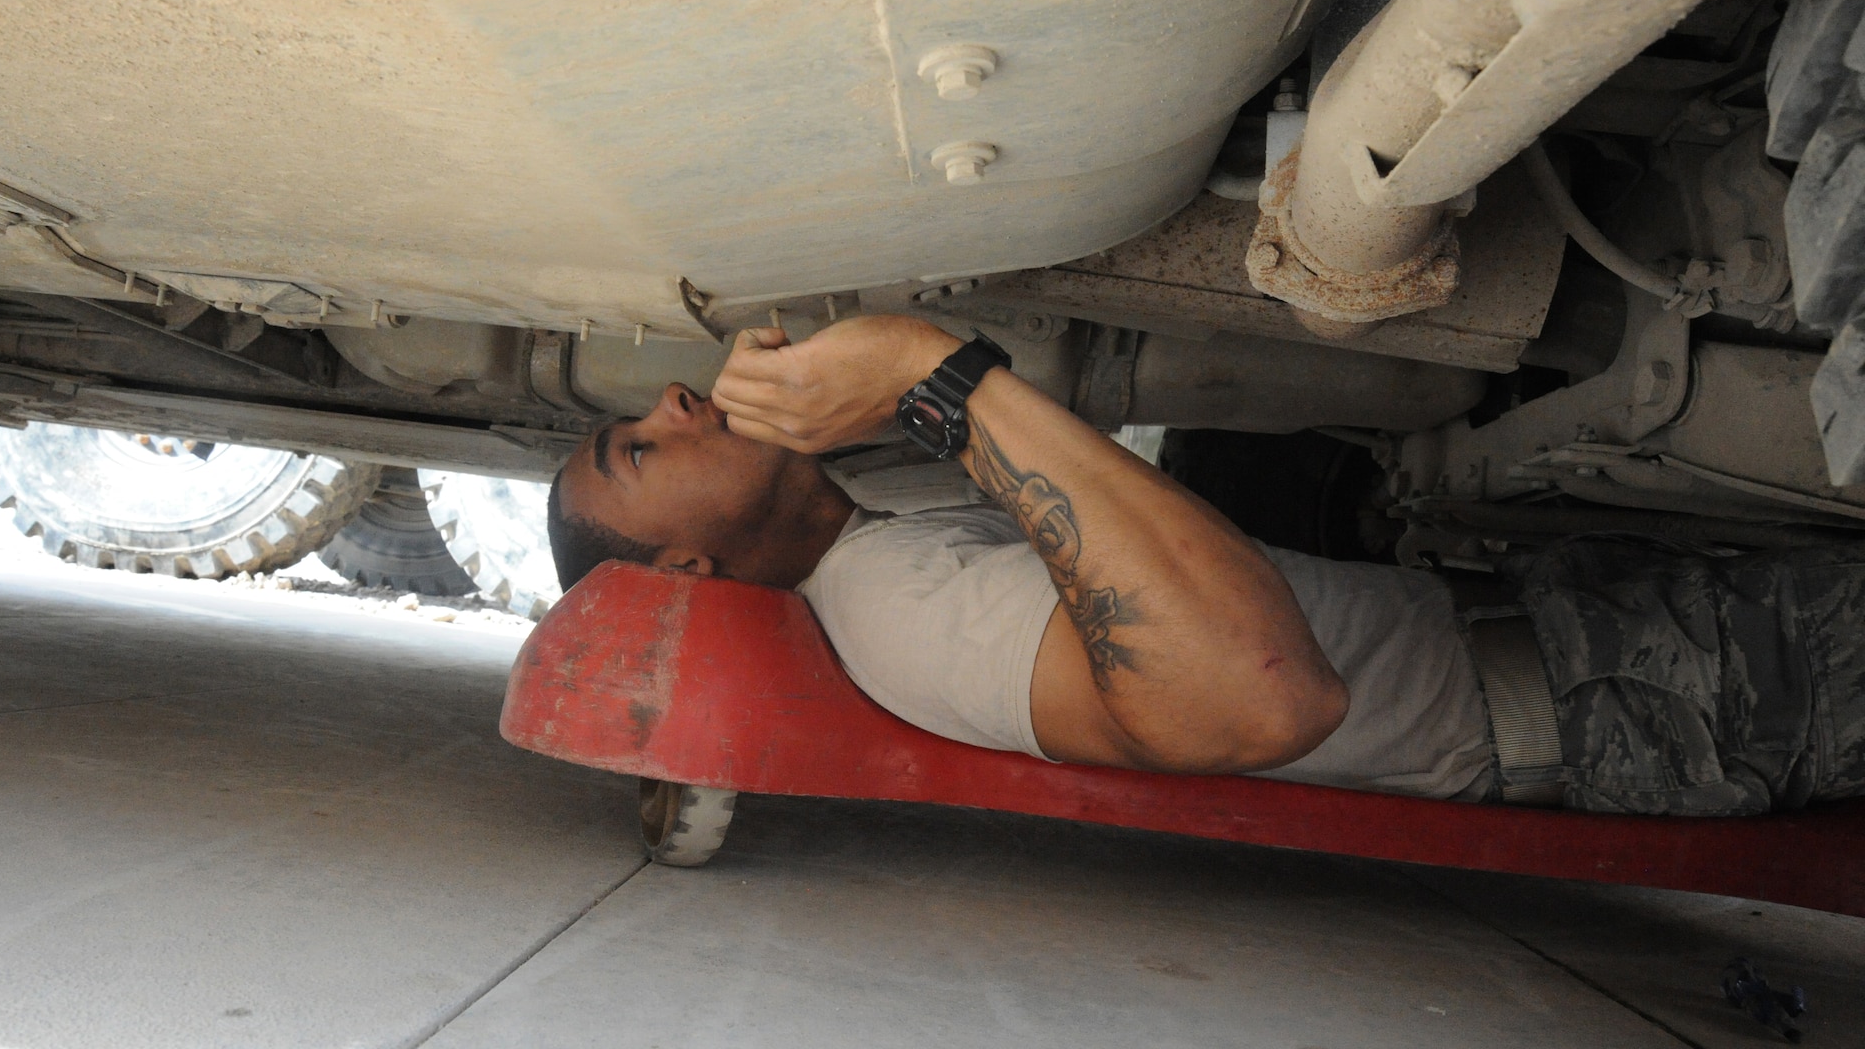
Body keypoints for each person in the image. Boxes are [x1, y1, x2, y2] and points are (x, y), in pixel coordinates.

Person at [545, 315, 1865, 816]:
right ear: (689, 564)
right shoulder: (903, 619)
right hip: (1658, 699)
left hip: (1614, 643)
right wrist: (931, 377)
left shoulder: (881, 545)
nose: (667, 398)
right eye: (635, 447)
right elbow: (1258, 702)